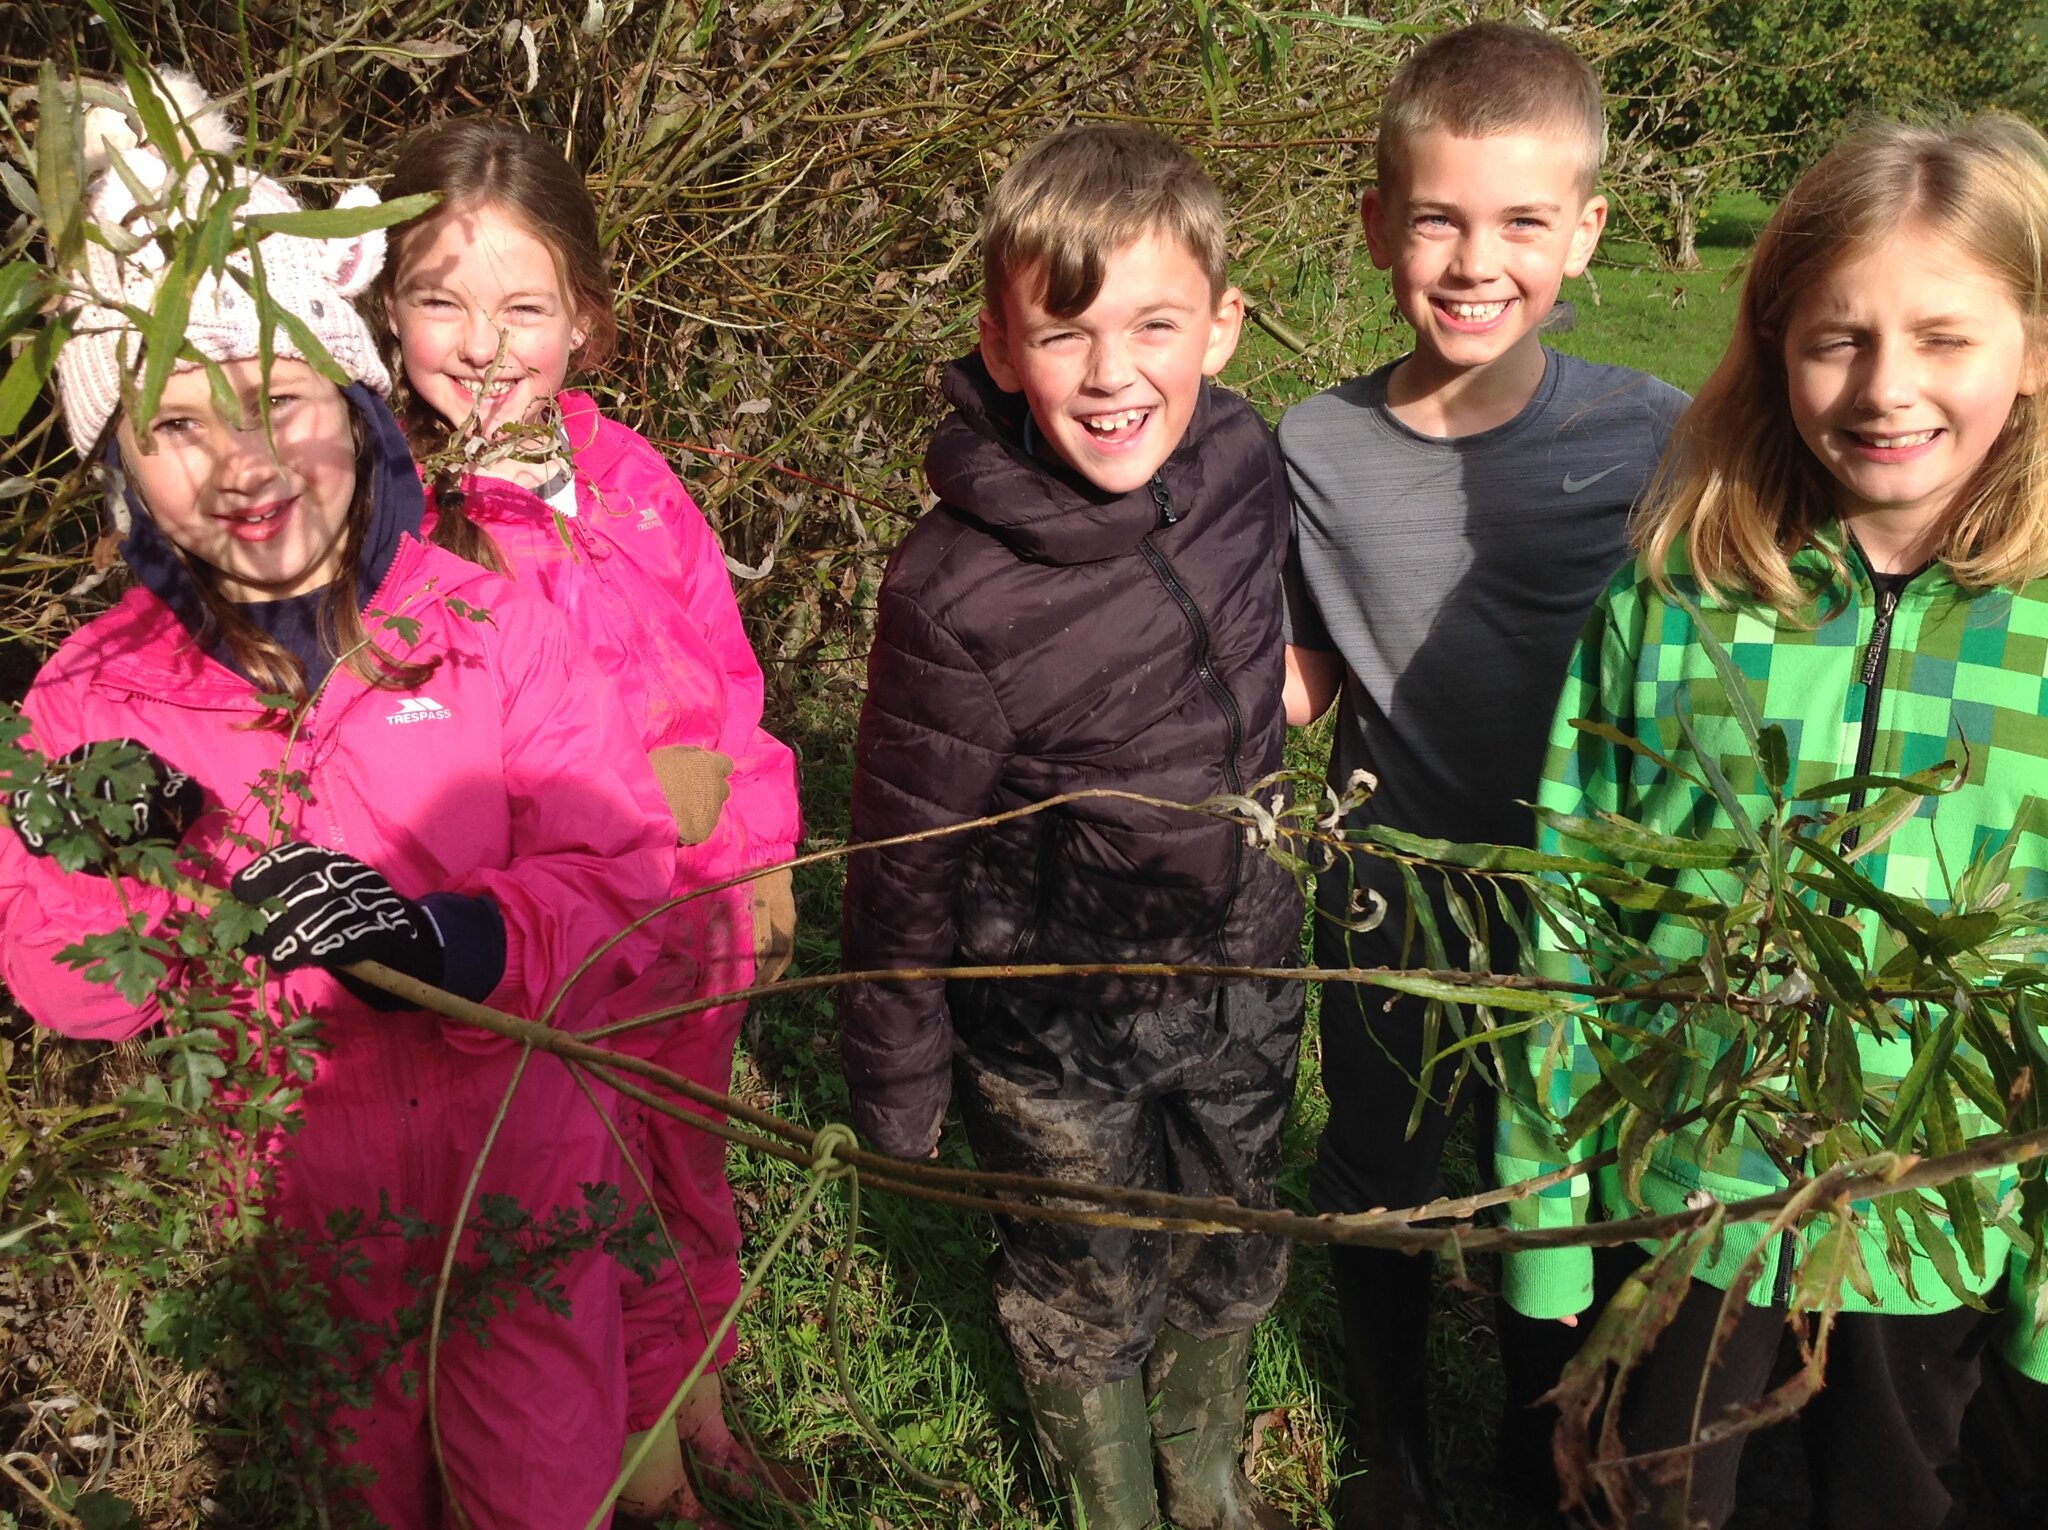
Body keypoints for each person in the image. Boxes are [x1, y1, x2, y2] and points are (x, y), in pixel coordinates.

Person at [0, 83, 679, 1528]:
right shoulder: (91, 702)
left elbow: (621, 861)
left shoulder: (484, 631)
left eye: (279, 401)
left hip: (526, 1206)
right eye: (175, 421)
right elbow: (50, 960)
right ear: (118, 463)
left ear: (357, 408)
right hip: (308, 1240)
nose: (243, 466)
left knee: (545, 1499)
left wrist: (458, 944)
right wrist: (186, 912)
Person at [1497, 113, 2048, 1529]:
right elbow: (1573, 908)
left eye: (1945, 338)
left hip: (1938, 1225)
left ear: (2035, 350)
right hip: (1689, 1198)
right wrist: (1553, 1226)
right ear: (1772, 339)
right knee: (1647, 1493)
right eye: (1837, 337)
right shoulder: (1681, 593)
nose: (1885, 388)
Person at [839, 123, 1303, 1530]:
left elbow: (1271, 624)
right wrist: (895, 1060)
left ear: (1222, 326)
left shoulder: (1241, 462)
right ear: (997, 344)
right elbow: (899, 849)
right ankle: (1116, 1502)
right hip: (1054, 1011)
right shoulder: (951, 591)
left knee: (1235, 1223)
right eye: (1066, 333)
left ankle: (1205, 1469)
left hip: (1247, 958)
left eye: (1155, 324)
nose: (1114, 375)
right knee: (1085, 1266)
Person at [1277, 22, 1686, 1525]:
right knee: (1381, 1172)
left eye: (1521, 221)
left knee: (1562, 1185)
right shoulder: (1313, 446)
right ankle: (1401, 1448)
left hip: (1598, 906)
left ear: (1585, 230)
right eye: (1437, 216)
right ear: (1379, 221)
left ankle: (1552, 1449)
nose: (1473, 259)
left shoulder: (1654, 432)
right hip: (1394, 890)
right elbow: (1299, 679)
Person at [372, 116, 804, 1522]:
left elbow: (729, 686)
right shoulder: (415, 527)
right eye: (442, 300)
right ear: (386, 313)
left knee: (691, 1174)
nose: (485, 345)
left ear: (586, 325)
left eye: (524, 308)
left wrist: (762, 852)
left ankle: (703, 1391)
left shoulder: (627, 481)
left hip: (696, 934)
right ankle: (644, 1458)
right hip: (569, 971)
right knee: (593, 1212)